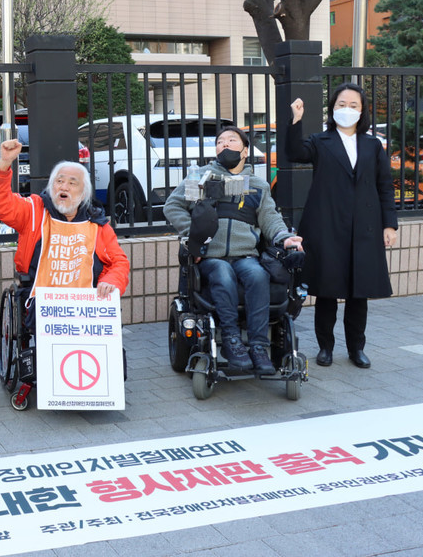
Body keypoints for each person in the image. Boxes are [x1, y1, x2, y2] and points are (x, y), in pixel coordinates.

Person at [164, 127, 303, 375]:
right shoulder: (202, 179)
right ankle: (231, 339)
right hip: (212, 255)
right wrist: (194, 232)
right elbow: (173, 206)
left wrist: (286, 238)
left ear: (245, 150)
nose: (224, 145)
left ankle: (259, 346)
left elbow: (271, 220)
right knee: (223, 274)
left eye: (231, 140)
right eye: (220, 142)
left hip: (245, 254)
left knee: (258, 275)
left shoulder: (257, 186)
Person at [288, 86, 397, 369]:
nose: (347, 109)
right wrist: (296, 121)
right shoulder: (320, 141)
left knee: (358, 293)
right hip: (326, 224)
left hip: (365, 227)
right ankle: (325, 348)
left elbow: (385, 186)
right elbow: (294, 153)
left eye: (353, 104)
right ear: (333, 108)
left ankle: (356, 349)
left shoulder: (373, 145)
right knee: (327, 289)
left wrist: (390, 224)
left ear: (362, 110)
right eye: (341, 103)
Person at [0, 139, 130, 307]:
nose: (64, 187)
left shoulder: (97, 224)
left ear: (83, 193)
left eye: (72, 183)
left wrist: (111, 281)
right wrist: (4, 164)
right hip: (42, 303)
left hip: (86, 304)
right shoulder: (33, 211)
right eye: (59, 181)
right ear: (51, 187)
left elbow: (119, 262)